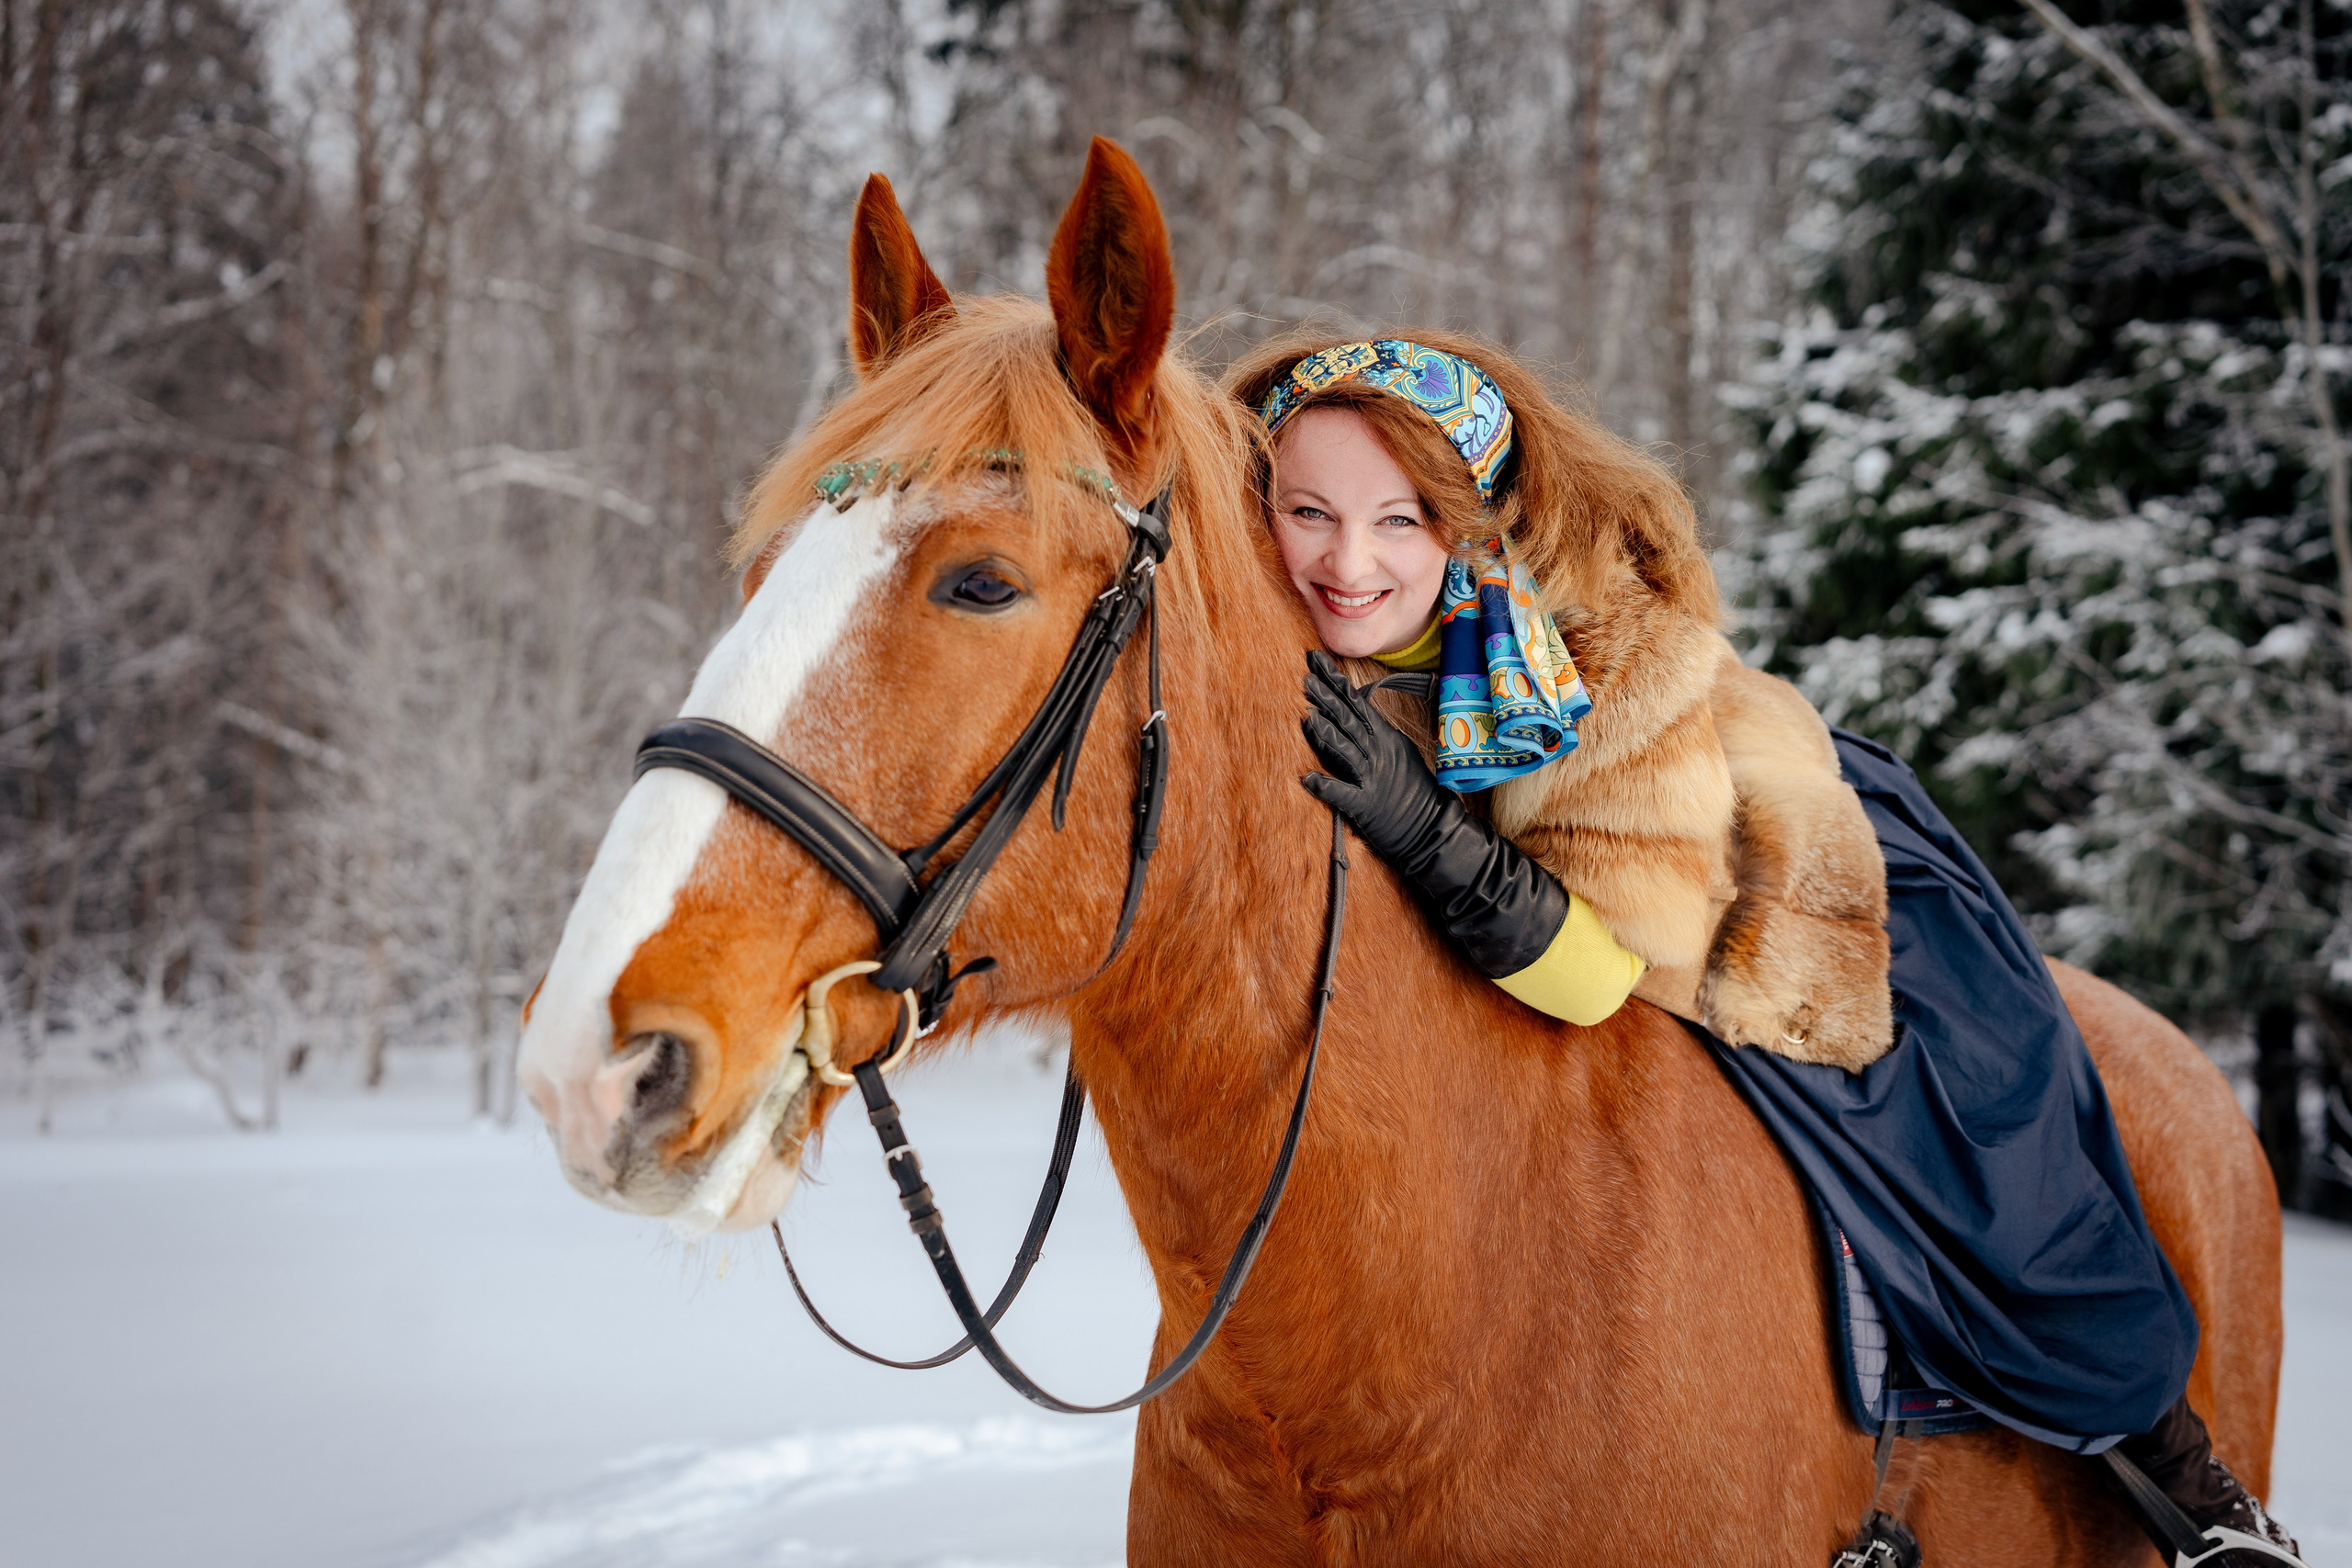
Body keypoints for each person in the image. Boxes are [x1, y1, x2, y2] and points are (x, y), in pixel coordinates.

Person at [1224, 332, 2304, 1567]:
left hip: (1759, 864)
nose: (1347, 563)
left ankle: (2178, 1473)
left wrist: (1427, 834)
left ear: (1469, 525)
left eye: (1400, 522)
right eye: (1309, 512)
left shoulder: (1595, 670)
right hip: (1570, 869)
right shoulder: (1263, 604)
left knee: (1921, 1128)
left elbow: (1593, 976)